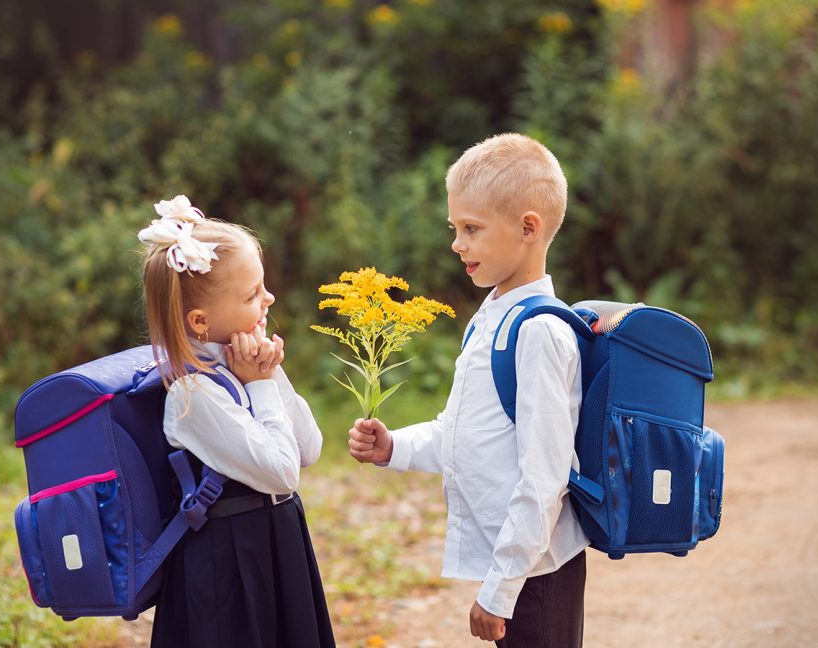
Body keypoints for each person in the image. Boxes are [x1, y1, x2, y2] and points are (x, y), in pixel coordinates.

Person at [348, 134, 588, 646]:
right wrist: (396, 447)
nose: (457, 244)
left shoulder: (540, 332)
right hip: (517, 565)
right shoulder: (490, 320)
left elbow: (545, 477)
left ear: (529, 228)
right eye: (455, 228)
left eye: (472, 229)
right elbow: (464, 433)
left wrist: (500, 591)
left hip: (536, 572)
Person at [140, 195, 335, 648]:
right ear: (201, 321)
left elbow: (309, 448)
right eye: (251, 295)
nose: (268, 299)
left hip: (275, 543)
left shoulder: (237, 370)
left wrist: (270, 374)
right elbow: (283, 471)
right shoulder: (193, 395)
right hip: (228, 565)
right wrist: (261, 385)